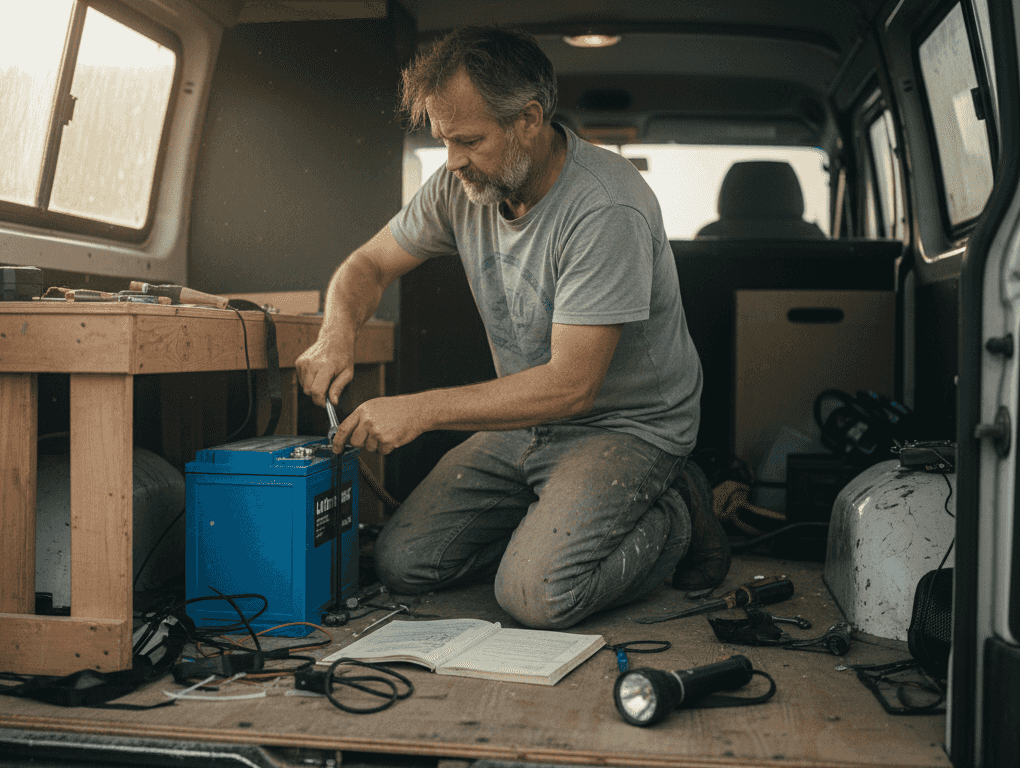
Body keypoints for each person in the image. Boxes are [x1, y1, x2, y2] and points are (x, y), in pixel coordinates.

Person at [294, 26, 726, 630]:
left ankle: (678, 510)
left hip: (625, 424)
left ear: (528, 118)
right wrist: (336, 330)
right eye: (443, 140)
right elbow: (367, 265)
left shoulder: (605, 207)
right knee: (403, 563)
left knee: (538, 597)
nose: (452, 161)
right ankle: (556, 524)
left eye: (467, 140)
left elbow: (573, 387)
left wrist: (420, 411)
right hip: (527, 420)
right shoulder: (458, 186)